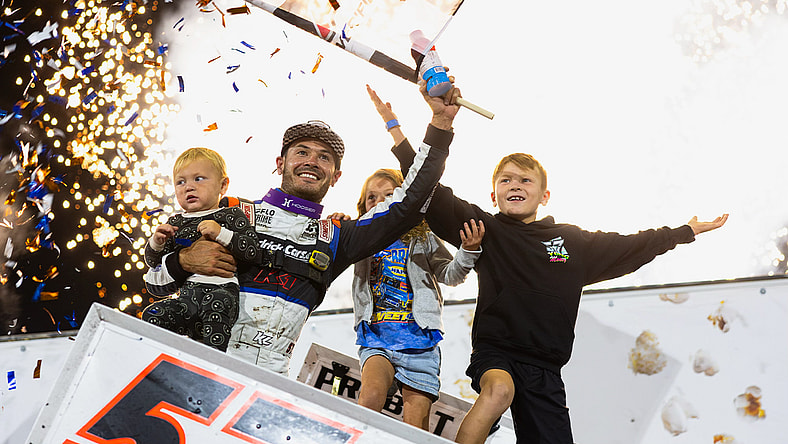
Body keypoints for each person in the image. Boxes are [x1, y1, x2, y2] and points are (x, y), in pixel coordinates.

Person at [373, 89, 729, 443]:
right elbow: (430, 189)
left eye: (525, 180)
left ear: (544, 196)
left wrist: (683, 232)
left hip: (546, 367)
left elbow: (631, 245)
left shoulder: (573, 242)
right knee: (498, 392)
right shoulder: (486, 229)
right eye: (505, 180)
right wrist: (399, 136)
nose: (515, 185)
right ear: (494, 194)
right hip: (497, 353)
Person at [144, 80, 463, 375]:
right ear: (280, 163)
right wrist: (181, 262)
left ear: (335, 177)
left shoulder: (338, 236)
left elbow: (410, 201)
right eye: (302, 152)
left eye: (324, 157)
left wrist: (440, 123)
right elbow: (155, 284)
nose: (312, 161)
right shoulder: (231, 211)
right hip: (198, 361)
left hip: (270, 379)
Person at [336, 167, 484, 430]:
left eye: (389, 195)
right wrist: (337, 227)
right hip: (376, 340)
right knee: (369, 399)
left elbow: (450, 274)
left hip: (420, 345)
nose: (380, 202)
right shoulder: (358, 236)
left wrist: (468, 251)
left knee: (416, 426)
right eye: (371, 197)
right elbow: (330, 252)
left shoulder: (423, 236)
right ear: (362, 206)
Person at [142, 147, 261, 352]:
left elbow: (253, 251)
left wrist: (221, 233)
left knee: (217, 304)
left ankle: (213, 364)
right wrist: (156, 242)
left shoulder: (231, 216)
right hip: (186, 302)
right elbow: (153, 263)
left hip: (221, 295)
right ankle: (163, 362)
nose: (189, 187)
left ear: (223, 185)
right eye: (181, 182)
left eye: (199, 179)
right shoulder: (175, 223)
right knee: (152, 314)